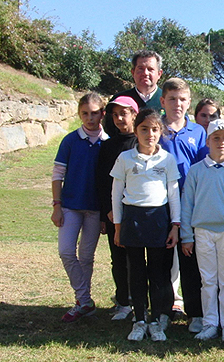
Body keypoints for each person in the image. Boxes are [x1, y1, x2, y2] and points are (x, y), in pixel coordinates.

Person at [111, 109, 181, 342]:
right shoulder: (125, 158)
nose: (149, 134)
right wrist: (119, 227)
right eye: (144, 129)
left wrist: (175, 226)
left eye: (154, 129)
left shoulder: (167, 160)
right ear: (135, 130)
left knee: (159, 273)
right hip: (132, 219)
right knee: (136, 272)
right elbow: (116, 193)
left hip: (158, 219)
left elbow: (173, 194)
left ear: (160, 131)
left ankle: (156, 319)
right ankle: (139, 319)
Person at [181, 119, 224, 342]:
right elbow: (187, 205)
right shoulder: (196, 171)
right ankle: (210, 322)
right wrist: (187, 236)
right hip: (203, 232)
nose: (221, 142)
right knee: (208, 280)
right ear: (208, 141)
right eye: (216, 138)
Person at [52, 92, 108, 323]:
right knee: (66, 251)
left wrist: (106, 214)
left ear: (102, 114)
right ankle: (85, 299)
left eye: (95, 113)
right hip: (70, 206)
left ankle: (83, 302)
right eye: (85, 113)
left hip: (95, 209)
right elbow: (57, 175)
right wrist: (57, 205)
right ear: (79, 114)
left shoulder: (107, 143)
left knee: (86, 256)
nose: (90, 118)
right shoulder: (70, 140)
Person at [158, 78, 209, 333]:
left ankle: (195, 312)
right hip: (160, 203)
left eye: (182, 99)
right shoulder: (156, 129)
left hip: (190, 204)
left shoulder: (198, 132)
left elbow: (202, 168)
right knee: (162, 259)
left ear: (189, 102)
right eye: (172, 99)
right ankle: (163, 309)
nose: (177, 104)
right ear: (162, 101)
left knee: (190, 259)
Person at [96, 96, 139, 321]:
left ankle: (140, 302)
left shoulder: (142, 143)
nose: (120, 119)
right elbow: (103, 182)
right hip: (115, 212)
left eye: (124, 113)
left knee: (138, 260)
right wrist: (108, 212)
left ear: (134, 114)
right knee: (118, 258)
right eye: (115, 115)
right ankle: (123, 301)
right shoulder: (108, 145)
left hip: (138, 211)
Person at [104, 50, 164, 138]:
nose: (145, 73)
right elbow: (109, 129)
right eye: (140, 69)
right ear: (133, 72)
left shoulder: (169, 99)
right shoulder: (119, 100)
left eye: (150, 69)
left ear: (159, 74)